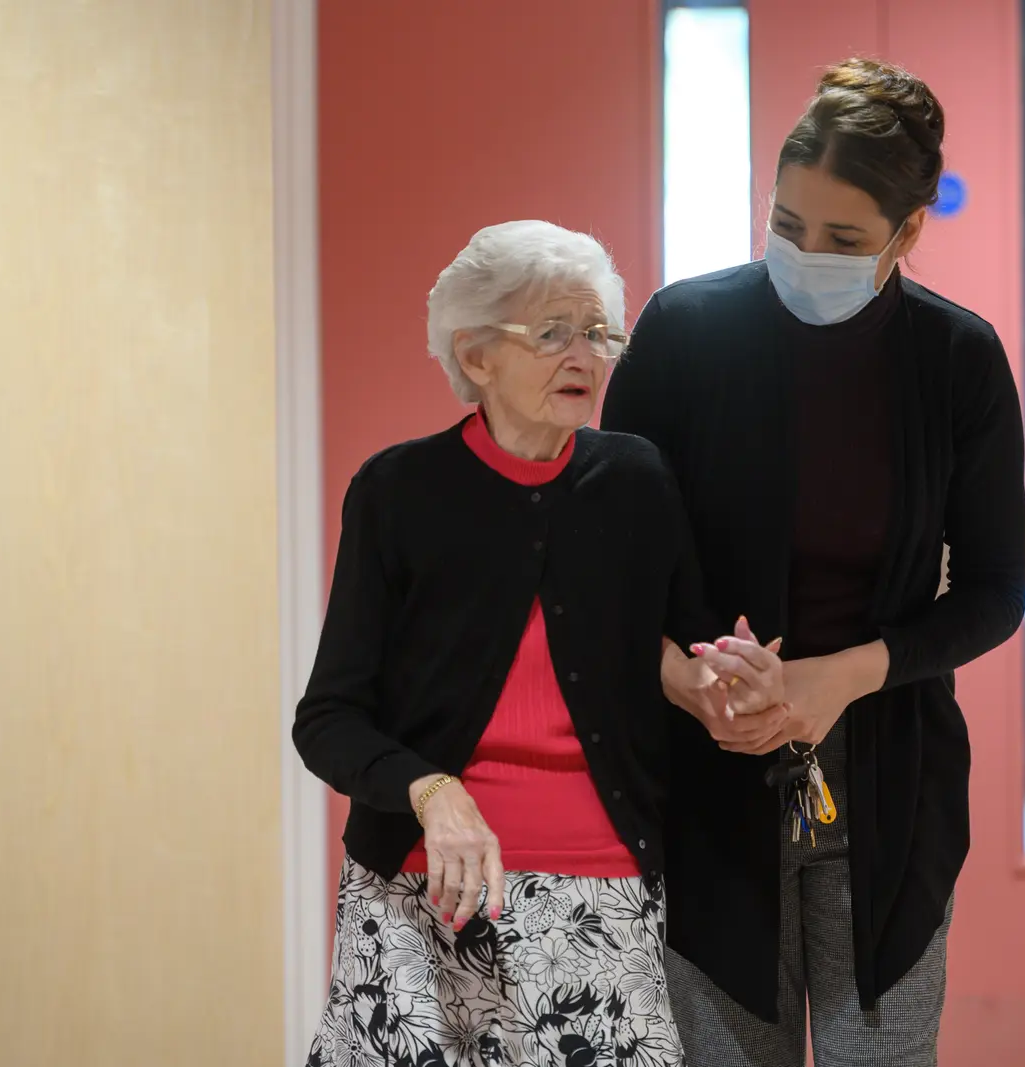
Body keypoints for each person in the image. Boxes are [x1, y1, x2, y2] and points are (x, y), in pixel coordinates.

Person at [604, 58, 1025, 1067]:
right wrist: (686, 680)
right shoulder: (682, 332)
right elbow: (602, 568)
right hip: (702, 791)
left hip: (889, 787)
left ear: (907, 233)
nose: (806, 255)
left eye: (842, 239)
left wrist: (836, 678)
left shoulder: (956, 361)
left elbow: (991, 593)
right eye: (787, 226)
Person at [292, 220, 786, 1067]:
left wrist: (728, 680)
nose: (584, 355)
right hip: (418, 891)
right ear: (476, 356)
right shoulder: (398, 491)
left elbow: (685, 656)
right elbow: (328, 718)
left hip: (602, 887)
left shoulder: (636, 481)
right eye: (552, 332)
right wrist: (430, 789)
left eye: (598, 333)